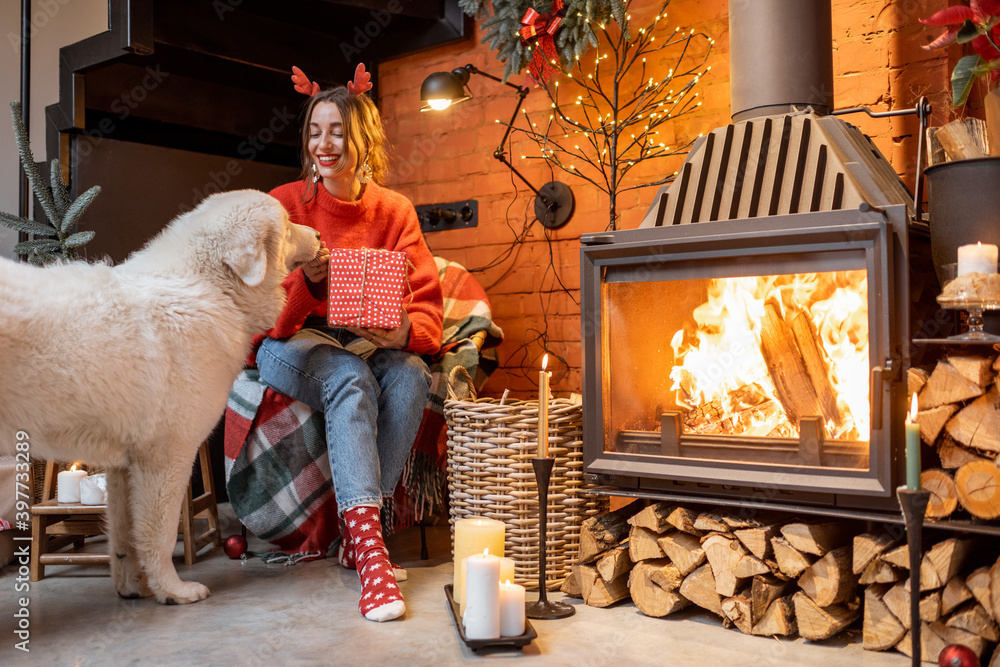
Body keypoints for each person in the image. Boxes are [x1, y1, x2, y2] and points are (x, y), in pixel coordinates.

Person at [250, 64, 443, 623]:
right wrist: (308, 283)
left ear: (363, 138)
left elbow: (426, 304)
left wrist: (405, 332)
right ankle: (373, 556)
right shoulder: (283, 203)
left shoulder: (394, 210)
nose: (324, 144)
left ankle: (357, 543)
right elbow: (264, 315)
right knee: (349, 379)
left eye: (336, 131)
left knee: (409, 374)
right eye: (315, 131)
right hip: (286, 345)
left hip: (365, 342)